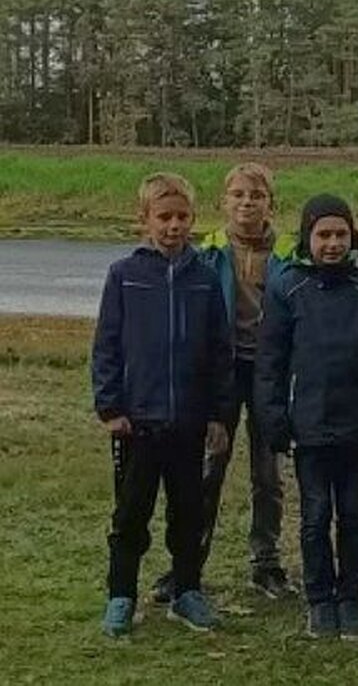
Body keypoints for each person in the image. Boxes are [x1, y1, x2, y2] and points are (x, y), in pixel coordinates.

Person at [92, 171, 234, 640]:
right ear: (145, 220)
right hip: (139, 422)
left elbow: (219, 351)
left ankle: (187, 590)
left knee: (188, 513)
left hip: (189, 422)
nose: (174, 226)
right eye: (164, 217)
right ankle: (121, 595)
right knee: (131, 514)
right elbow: (107, 345)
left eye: (182, 217)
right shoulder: (125, 275)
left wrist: (217, 412)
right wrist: (111, 406)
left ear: (193, 218)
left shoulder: (206, 279)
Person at [152, 161, 294, 604]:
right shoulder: (207, 252)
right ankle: (186, 565)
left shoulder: (290, 253)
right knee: (209, 469)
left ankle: (266, 562)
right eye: (238, 195)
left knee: (267, 474)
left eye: (257, 195)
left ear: (271, 203)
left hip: (270, 370)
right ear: (224, 202)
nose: (247, 203)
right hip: (221, 373)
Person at [254, 193, 358, 643]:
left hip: (356, 429)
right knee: (316, 516)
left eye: (340, 234)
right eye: (323, 235)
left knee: (353, 516)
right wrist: (276, 423)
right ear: (307, 237)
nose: (332, 243)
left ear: (352, 236)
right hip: (308, 428)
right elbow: (271, 362)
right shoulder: (287, 286)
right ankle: (319, 599)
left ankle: (350, 596)